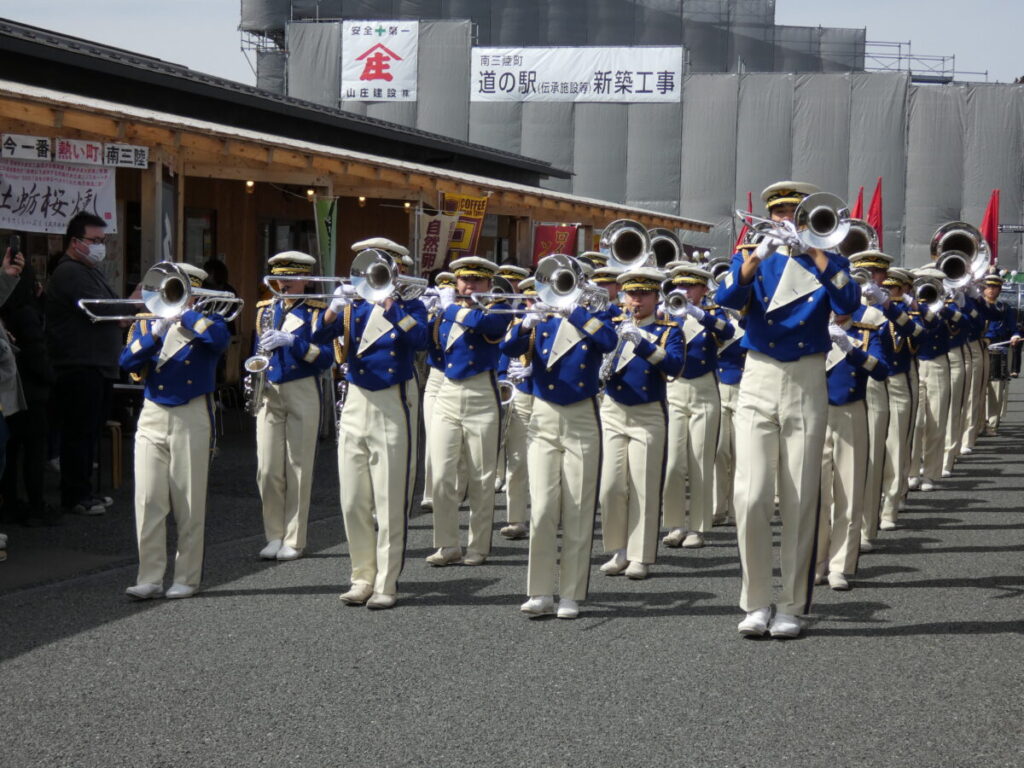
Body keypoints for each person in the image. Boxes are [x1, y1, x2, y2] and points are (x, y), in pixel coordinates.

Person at [715, 181, 860, 639]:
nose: (785, 224)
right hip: (758, 373)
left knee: (800, 497)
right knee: (752, 495)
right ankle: (756, 601)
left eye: (794, 217)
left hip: (806, 376)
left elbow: (848, 303)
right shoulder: (752, 258)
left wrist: (815, 251)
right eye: (778, 216)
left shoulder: (829, 261)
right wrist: (754, 257)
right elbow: (726, 299)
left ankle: (793, 605)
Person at [502, 261, 617, 619]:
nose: (561, 288)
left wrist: (578, 313)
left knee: (579, 508)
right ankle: (539, 591)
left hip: (582, 413)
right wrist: (524, 323)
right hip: (544, 415)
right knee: (543, 508)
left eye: (568, 283)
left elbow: (608, 340)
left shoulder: (593, 314)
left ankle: (570, 593)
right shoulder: (543, 319)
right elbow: (509, 348)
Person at [314, 259, 427, 609]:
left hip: (392, 402)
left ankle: (386, 581)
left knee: (390, 501)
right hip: (356, 402)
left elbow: (420, 338)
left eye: (380, 275)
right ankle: (361, 575)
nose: (373, 281)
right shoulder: (353, 309)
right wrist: (332, 310)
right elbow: (317, 337)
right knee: (352, 499)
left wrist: (389, 304)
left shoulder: (412, 306)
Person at [119, 264, 231, 599]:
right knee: (149, 498)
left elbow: (218, 341)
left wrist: (185, 317)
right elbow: (127, 362)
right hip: (153, 412)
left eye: (181, 292)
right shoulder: (146, 324)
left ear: (195, 295)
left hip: (191, 412)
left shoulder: (209, 322)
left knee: (189, 500)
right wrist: (155, 333)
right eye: (171, 292)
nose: (174, 299)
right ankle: (149, 576)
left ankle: (187, 577)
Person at [426, 257, 511, 567]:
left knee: (481, 476)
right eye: (464, 280)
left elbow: (489, 327)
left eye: (477, 280)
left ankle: (478, 546)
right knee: (442, 474)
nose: (469, 285)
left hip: (481, 393)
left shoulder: (497, 307)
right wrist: (426, 311)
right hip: (448, 391)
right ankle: (447, 544)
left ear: (489, 284)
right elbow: (429, 346)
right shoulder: (446, 310)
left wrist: (450, 309)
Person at [598, 268, 683, 580]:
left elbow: (675, 366)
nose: (636, 300)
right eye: (631, 293)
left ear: (656, 297)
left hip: (648, 413)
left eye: (643, 294)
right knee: (610, 486)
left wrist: (644, 345)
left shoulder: (669, 330)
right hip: (613, 409)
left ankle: (640, 556)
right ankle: (618, 550)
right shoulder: (614, 325)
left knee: (644, 487)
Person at [252, 252, 333, 562]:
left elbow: (326, 357)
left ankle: (294, 538)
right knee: (267, 468)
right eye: (279, 277)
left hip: (302, 387)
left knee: (298, 466)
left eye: (290, 277)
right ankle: (273, 534)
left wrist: (293, 343)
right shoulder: (264, 310)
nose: (283, 282)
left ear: (306, 279)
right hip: (270, 389)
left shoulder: (317, 312)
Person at [45, 212, 122, 516]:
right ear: (75, 242)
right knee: (79, 432)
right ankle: (76, 495)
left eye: (103, 241)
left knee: (90, 431)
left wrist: (129, 305)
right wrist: (131, 305)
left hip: (96, 363)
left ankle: (85, 491)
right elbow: (104, 311)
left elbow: (113, 307)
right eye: (94, 241)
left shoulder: (90, 270)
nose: (100, 246)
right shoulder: (70, 272)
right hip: (78, 364)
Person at [661, 263, 734, 549]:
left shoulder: (712, 314)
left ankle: (697, 527)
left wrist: (699, 315)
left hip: (705, 390)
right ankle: (676, 523)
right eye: (681, 286)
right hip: (675, 388)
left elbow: (726, 332)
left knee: (701, 460)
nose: (686, 292)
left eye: (692, 286)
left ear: (704, 289)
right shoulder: (667, 313)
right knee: (674, 463)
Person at [816, 313, 888, 591]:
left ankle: (839, 565)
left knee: (849, 490)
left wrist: (850, 348)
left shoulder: (867, 333)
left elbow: (881, 371)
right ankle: (815, 561)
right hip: (814, 412)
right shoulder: (810, 328)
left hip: (850, 411)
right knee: (815, 494)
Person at [1, 262, 57, 526]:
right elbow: (37, 353)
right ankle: (36, 505)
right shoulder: (28, 313)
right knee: (34, 452)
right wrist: (51, 378)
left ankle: (11, 502)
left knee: (11, 451)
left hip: (11, 391)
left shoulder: (6, 310)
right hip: (32, 393)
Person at [497, 277, 537, 541]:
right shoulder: (517, 324)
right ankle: (516, 518)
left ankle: (549, 515)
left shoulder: (566, 323)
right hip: (521, 394)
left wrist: (537, 369)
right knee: (518, 459)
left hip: (550, 398)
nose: (536, 304)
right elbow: (503, 354)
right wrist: (506, 374)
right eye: (532, 299)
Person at [419, 271, 455, 513]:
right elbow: (422, 343)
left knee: (456, 443)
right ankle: (430, 491)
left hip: (460, 379)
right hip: (436, 378)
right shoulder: (434, 312)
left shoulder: (467, 312)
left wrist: (450, 310)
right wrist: (427, 314)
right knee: (433, 437)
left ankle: (457, 486)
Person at [982, 272, 1021, 435]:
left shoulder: (1005, 308)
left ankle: (992, 423)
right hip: (977, 350)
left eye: (995, 287)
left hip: (998, 350)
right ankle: (977, 424)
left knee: (995, 390)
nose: (991, 290)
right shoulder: (976, 306)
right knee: (976, 390)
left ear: (999, 290)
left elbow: (1014, 328)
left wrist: (1015, 336)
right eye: (989, 287)